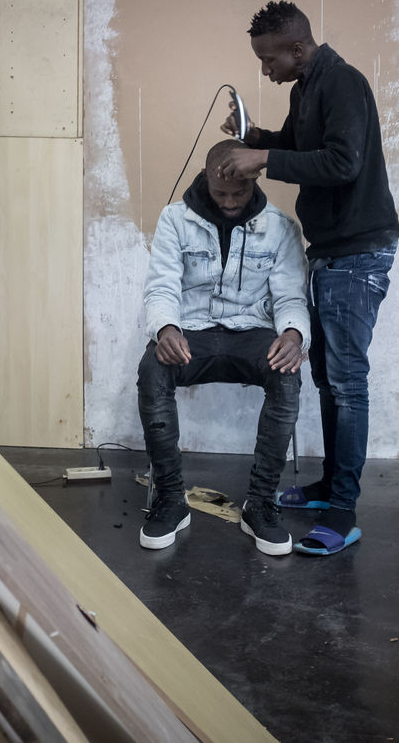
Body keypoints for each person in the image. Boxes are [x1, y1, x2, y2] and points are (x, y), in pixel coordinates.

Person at [218, 0, 399, 557]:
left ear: (298, 49)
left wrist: (262, 160)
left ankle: (343, 512)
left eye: (269, 60)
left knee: (347, 383)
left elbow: (342, 163)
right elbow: (302, 148)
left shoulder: (343, 82)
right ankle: (328, 488)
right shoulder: (307, 89)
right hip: (331, 253)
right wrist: (256, 138)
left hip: (357, 254)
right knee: (327, 378)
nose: (265, 70)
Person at [138, 139, 309, 556]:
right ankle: (171, 498)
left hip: (251, 331)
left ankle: (261, 504)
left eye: (240, 192)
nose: (231, 202)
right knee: (152, 370)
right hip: (192, 330)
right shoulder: (174, 219)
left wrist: (293, 335)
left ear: (255, 178)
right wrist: (166, 328)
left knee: (287, 374)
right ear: (205, 177)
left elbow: (291, 297)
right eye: (221, 193)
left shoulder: (281, 227)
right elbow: (161, 286)